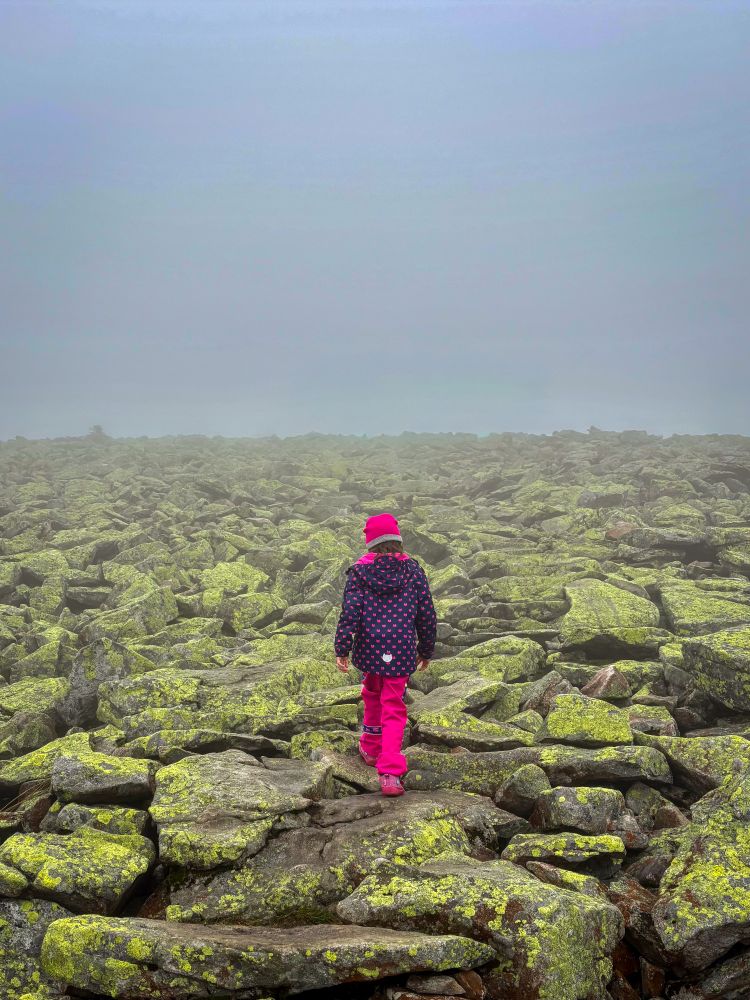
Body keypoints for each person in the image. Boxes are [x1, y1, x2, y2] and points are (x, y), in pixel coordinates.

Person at [334, 512, 437, 796]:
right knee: (394, 707)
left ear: (370, 543)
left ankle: (370, 748)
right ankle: (390, 773)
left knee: (371, 694)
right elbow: (426, 614)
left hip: (370, 648)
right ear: (397, 540)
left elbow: (350, 614)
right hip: (401, 649)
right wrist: (426, 649)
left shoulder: (359, 572)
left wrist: (342, 647)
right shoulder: (413, 571)